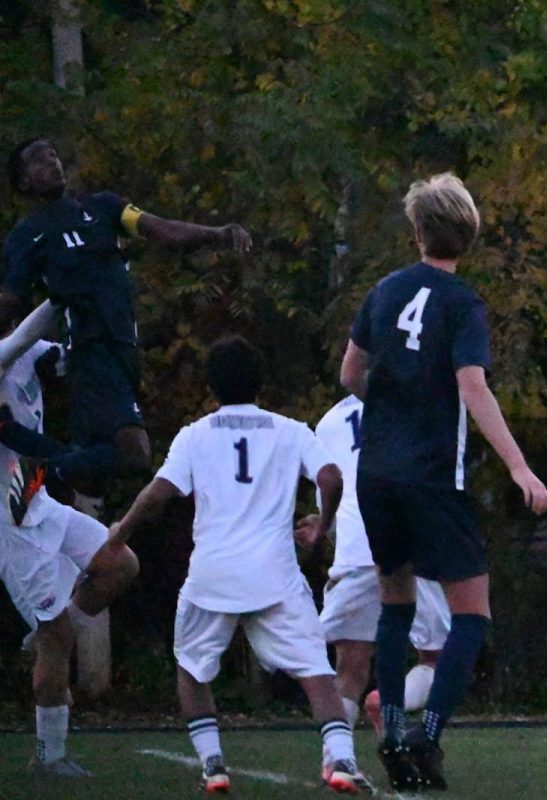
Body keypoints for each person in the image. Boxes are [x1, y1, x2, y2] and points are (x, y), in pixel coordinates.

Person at [340, 173, 547, 792]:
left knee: (396, 602)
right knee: (471, 614)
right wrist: (518, 465)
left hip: (376, 474)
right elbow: (472, 386)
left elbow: (351, 371)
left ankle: (389, 737)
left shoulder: (383, 290)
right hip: (433, 477)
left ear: (416, 233)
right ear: (471, 236)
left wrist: (393, 402)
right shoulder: (464, 304)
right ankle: (427, 735)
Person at [107, 335, 371, 794]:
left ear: (211, 386)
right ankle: (343, 760)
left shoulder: (195, 434)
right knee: (316, 671)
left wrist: (120, 533)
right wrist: (322, 526)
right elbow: (331, 478)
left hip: (213, 573)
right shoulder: (290, 430)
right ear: (260, 384)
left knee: (191, 668)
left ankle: (213, 766)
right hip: (275, 575)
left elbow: (158, 494)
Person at [0, 137, 252, 497]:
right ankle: (41, 472)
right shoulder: (27, 236)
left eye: (54, 155)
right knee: (133, 454)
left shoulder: (103, 207)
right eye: (38, 161)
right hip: (90, 349)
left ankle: (20, 444)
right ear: (24, 182)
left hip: (124, 348)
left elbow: (159, 229)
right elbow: (10, 301)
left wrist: (217, 234)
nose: (52, 163)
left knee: (92, 477)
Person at [0, 320, 138, 779]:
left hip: (35, 497)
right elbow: (19, 339)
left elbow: (71, 354)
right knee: (55, 637)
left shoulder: (28, 349)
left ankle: (48, 635)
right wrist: (66, 286)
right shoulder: (8, 346)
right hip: (9, 517)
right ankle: (49, 757)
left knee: (121, 563)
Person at [308, 394, 452, 739]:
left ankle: (337, 761)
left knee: (350, 666)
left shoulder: (327, 423)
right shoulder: (417, 400)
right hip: (408, 544)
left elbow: (330, 501)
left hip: (355, 548)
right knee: (437, 658)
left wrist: (327, 531)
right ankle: (391, 699)